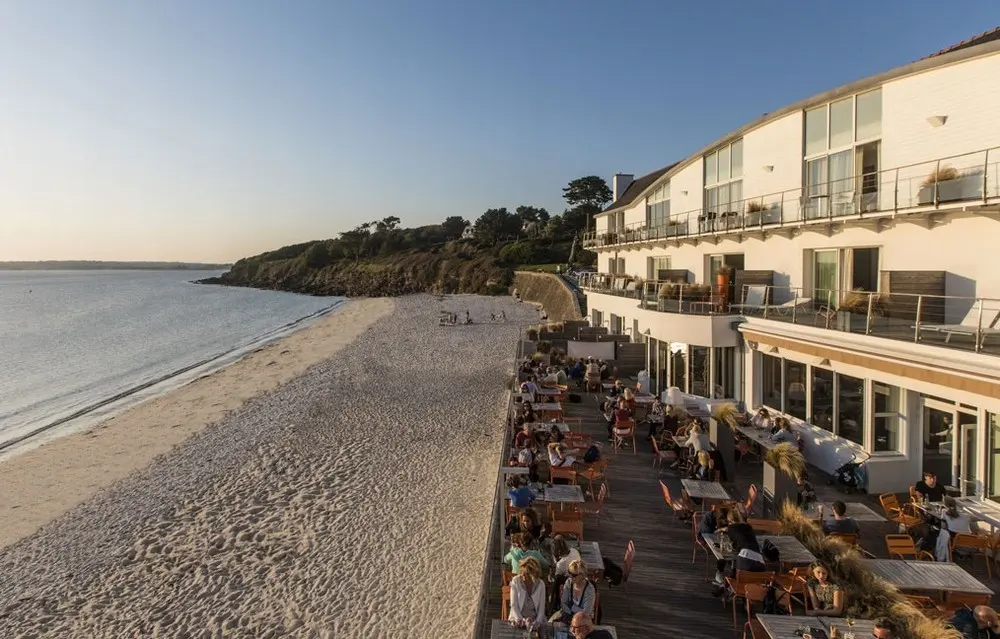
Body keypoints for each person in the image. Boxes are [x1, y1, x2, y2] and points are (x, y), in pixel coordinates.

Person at [551, 560, 595, 624]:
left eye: (574, 575)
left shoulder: (590, 589)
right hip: (568, 616)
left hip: (584, 620)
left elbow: (586, 613)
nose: (570, 576)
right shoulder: (568, 582)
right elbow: (563, 603)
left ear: (582, 575)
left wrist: (572, 607)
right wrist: (572, 612)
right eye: (569, 573)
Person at [508, 556, 547, 628]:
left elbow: (541, 609)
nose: (522, 575)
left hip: (535, 621)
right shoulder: (516, 581)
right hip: (518, 620)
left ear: (533, 575)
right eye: (522, 571)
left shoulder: (541, 584)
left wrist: (536, 622)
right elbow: (514, 605)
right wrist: (521, 620)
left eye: (526, 574)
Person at [936, 495, 975, 562]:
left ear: (944, 504)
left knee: (942, 533)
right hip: (971, 543)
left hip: (956, 541)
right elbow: (973, 516)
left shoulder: (944, 512)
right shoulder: (966, 515)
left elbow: (943, 527)